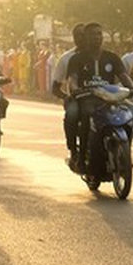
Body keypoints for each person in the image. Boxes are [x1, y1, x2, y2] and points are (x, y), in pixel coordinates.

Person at [62, 23, 132, 170]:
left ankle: (126, 156)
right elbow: (72, 78)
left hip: (109, 98)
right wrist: (75, 89)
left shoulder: (112, 57)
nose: (97, 37)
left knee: (132, 114)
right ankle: (78, 156)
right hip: (85, 98)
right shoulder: (76, 59)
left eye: (99, 34)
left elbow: (124, 76)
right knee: (76, 115)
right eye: (93, 34)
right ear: (86, 37)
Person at [52, 24, 86, 166]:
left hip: (101, 98)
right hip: (77, 99)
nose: (81, 38)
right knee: (71, 115)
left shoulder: (103, 56)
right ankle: (73, 151)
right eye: (78, 35)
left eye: (84, 35)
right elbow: (55, 87)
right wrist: (66, 97)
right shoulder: (67, 58)